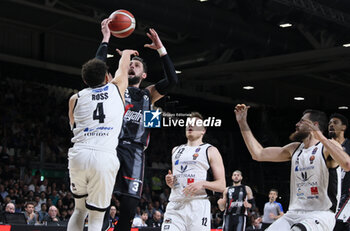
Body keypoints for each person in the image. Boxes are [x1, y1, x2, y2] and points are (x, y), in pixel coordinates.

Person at [97, 21, 178, 231]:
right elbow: (96, 69)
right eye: (129, 64)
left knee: (129, 205)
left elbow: (173, 80)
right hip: (111, 146)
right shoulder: (113, 87)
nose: (131, 66)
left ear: (143, 75)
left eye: (136, 65)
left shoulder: (148, 93)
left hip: (135, 151)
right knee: (102, 199)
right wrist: (106, 39)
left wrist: (161, 49)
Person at [66, 18, 138, 231]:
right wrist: (125, 54)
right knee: (97, 217)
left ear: (85, 80)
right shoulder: (116, 89)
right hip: (103, 157)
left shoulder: (75, 98)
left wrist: (105, 38)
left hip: (79, 154)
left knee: (79, 209)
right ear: (107, 76)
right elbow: (123, 70)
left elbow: (73, 124)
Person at [234, 104, 350, 231]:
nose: (297, 124)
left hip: (321, 214)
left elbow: (347, 164)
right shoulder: (294, 149)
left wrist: (321, 137)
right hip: (293, 214)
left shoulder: (327, 147)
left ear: (314, 125)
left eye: (302, 121)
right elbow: (258, 154)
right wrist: (242, 123)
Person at [162, 112, 226, 231]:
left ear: (203, 130)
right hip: (175, 204)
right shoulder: (176, 150)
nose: (191, 125)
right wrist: (170, 181)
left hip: (198, 205)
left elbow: (222, 185)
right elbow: (174, 183)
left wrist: (202, 183)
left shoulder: (210, 150)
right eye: (189, 123)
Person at [329, 113, 350, 231]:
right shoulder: (324, 146)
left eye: (335, 123)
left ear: (344, 127)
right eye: (329, 123)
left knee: (338, 225)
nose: (331, 125)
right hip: (330, 195)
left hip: (346, 195)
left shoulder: (349, 145)